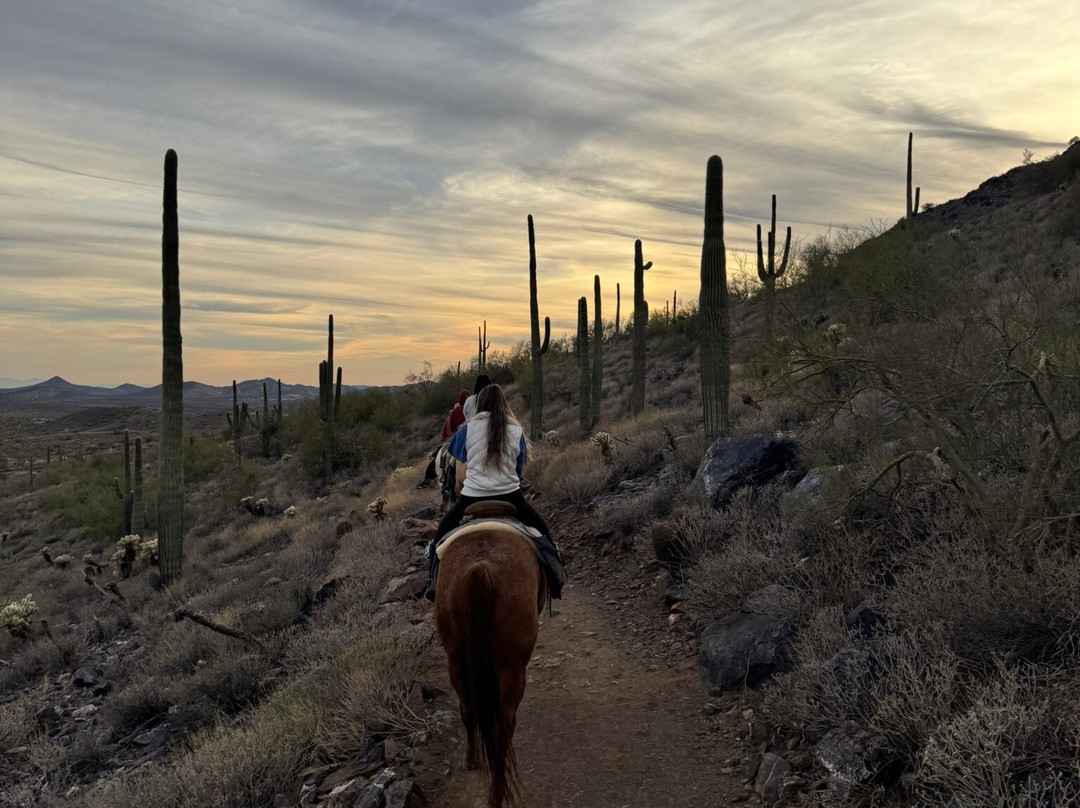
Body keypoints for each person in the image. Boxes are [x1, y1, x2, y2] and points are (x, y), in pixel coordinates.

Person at [427, 383, 564, 599]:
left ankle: (431, 584)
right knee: (542, 531)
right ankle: (556, 579)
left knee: (441, 534)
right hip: (510, 495)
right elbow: (518, 470)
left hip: (471, 496)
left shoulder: (466, 429)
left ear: (479, 404)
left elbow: (457, 460)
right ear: (504, 402)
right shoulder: (515, 429)